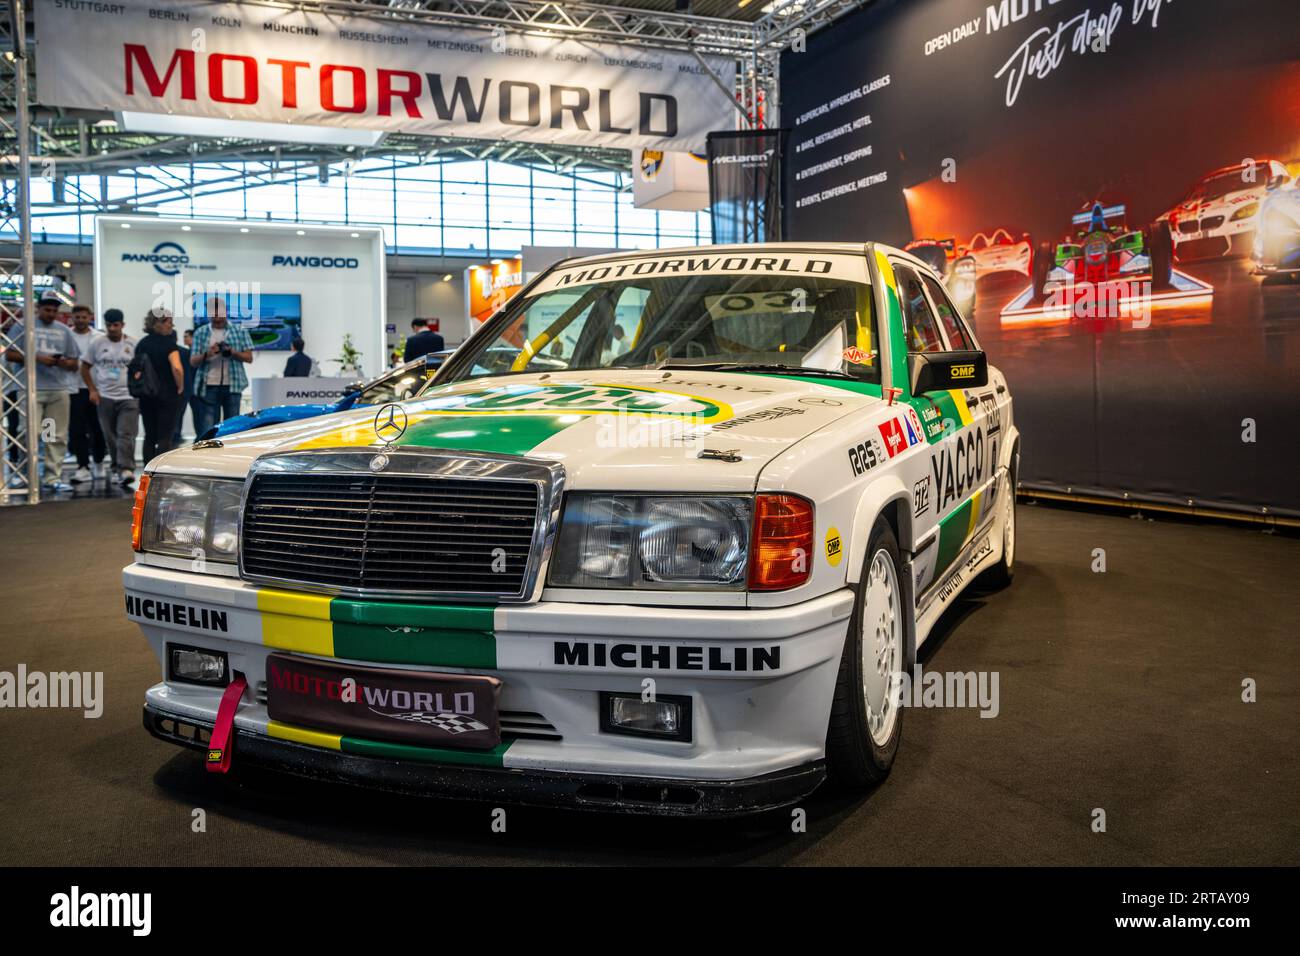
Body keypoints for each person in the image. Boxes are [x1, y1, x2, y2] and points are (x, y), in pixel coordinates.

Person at [2, 295, 79, 492]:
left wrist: (62, 362)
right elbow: (9, 353)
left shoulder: (64, 331)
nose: (51, 314)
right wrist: (37, 358)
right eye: (47, 310)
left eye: (54, 311)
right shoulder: (23, 326)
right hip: (30, 389)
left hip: (57, 390)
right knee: (28, 432)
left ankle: (52, 477)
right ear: (38, 308)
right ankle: (25, 474)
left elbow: (74, 362)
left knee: (55, 436)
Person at [81, 309, 138, 485]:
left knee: (126, 434)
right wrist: (92, 390)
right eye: (109, 325)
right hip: (105, 396)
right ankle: (115, 468)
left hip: (128, 397)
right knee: (110, 435)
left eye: (116, 325)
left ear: (122, 325)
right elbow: (85, 367)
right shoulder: (97, 343)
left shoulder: (133, 343)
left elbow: (142, 368)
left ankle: (126, 468)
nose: (112, 328)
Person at [190, 298, 253, 438]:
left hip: (233, 385)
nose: (216, 317)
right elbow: (193, 361)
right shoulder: (200, 332)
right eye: (213, 313)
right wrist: (208, 354)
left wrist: (233, 352)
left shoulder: (239, 331)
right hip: (208, 386)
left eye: (219, 313)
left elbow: (249, 358)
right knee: (208, 429)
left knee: (232, 429)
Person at [134, 308, 184, 469]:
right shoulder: (169, 344)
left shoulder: (142, 344)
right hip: (167, 396)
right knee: (165, 437)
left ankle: (147, 473)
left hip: (146, 395)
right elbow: (177, 368)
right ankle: (160, 473)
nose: (172, 325)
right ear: (159, 323)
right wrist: (180, 386)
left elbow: (136, 371)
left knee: (149, 436)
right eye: (169, 321)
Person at [66, 304, 107, 484]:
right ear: (72, 317)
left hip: (96, 388)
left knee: (98, 429)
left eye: (84, 317)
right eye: (78, 317)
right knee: (77, 430)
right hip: (73, 388)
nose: (81, 320)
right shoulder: (67, 335)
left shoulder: (99, 337)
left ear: (90, 317)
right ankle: (82, 466)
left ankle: (98, 462)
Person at [173, 327, 196, 446]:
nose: (184, 339)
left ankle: (175, 435)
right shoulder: (186, 352)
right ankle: (176, 435)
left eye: (186, 336)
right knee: (180, 414)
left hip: (177, 388)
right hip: (187, 388)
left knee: (176, 414)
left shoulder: (182, 352)